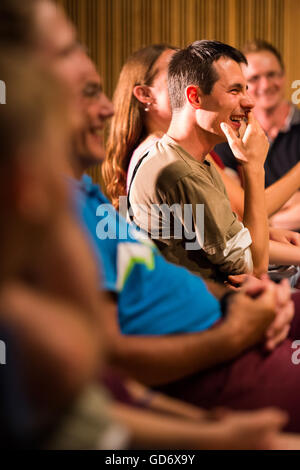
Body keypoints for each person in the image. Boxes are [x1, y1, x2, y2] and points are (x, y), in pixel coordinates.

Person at [103, 44, 300, 271]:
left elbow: (231, 235)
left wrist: (269, 235)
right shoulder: (176, 169)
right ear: (194, 96)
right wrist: (254, 166)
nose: (249, 102)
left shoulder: (197, 160)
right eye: (235, 91)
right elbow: (255, 266)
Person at [215, 39, 300, 231]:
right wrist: (290, 201)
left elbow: (246, 215)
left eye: (272, 74)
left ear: (284, 76)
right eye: (254, 78)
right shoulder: (229, 135)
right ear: (242, 85)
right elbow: (232, 213)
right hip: (256, 252)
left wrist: (258, 217)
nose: (266, 84)